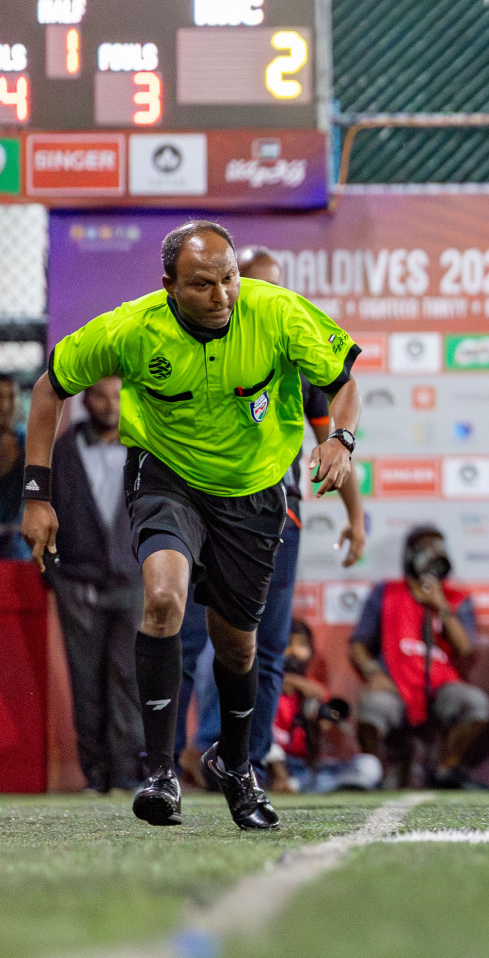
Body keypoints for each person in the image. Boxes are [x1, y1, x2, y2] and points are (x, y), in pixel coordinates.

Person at [23, 219, 362, 830]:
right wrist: (37, 496)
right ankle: (159, 771)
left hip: (252, 494)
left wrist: (340, 438)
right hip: (167, 480)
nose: (223, 296)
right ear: (170, 286)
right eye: (203, 285)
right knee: (162, 599)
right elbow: (50, 388)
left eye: (229, 279)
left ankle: (235, 764)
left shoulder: (279, 313)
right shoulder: (132, 327)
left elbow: (343, 385)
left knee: (238, 647)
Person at [177, 246, 367, 783]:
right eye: (253, 285)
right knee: (204, 638)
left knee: (268, 646)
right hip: (210, 512)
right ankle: (188, 756)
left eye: (276, 287)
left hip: (281, 516)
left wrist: (355, 515)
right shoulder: (199, 349)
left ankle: (248, 761)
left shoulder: (296, 356)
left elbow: (331, 442)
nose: (262, 298)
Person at [50, 376, 144, 792]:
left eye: (117, 397)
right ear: (85, 400)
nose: (109, 404)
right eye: (100, 396)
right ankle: (95, 776)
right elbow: (46, 514)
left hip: (134, 582)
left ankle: (126, 775)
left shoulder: (145, 448)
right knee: (85, 683)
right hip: (78, 585)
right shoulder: (65, 450)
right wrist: (57, 578)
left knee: (129, 680)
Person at [349, 525, 489, 788]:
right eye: (426, 548)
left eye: (439, 548)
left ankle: (445, 768)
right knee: (373, 707)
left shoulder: (457, 598)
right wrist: (372, 672)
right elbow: (358, 645)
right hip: (394, 685)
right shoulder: (386, 592)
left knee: (475, 702)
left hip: (441, 687)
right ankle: (375, 773)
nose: (434, 554)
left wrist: (442, 608)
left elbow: (466, 650)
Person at [269, 621, 381, 794]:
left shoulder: (313, 691)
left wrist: (319, 715)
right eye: (287, 644)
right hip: (272, 767)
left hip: (307, 769)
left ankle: (311, 786)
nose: (294, 652)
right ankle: (291, 784)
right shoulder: (264, 687)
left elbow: (331, 719)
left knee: (368, 765)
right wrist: (288, 682)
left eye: (301, 645)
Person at [0, 373, 28, 559]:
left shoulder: (30, 444)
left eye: (11, 397)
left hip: (19, 554)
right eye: (0, 398)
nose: (5, 406)